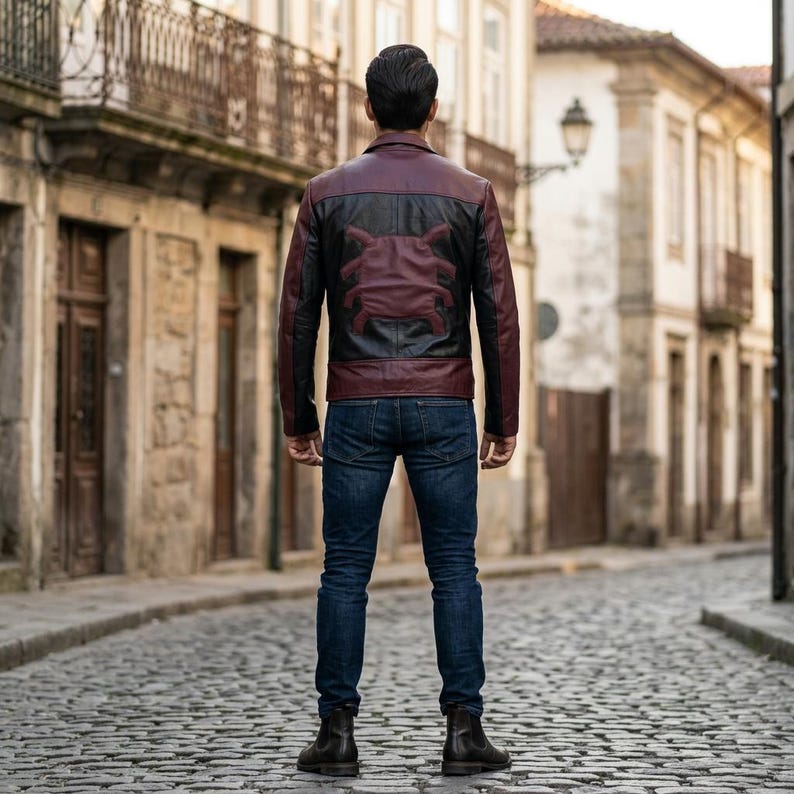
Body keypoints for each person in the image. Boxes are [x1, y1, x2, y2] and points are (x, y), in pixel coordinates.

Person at [277, 44, 519, 777]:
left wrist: (300, 415)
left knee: (345, 570)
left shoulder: (324, 193)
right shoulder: (472, 193)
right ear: (433, 109)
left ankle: (337, 734)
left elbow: (297, 315)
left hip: (355, 399)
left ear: (369, 107)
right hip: (445, 401)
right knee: (454, 568)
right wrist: (502, 419)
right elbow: (498, 315)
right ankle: (463, 731)